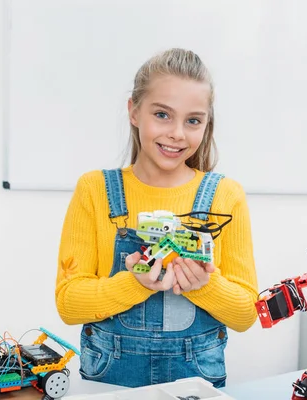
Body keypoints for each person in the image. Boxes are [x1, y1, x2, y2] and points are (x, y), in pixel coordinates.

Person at [55, 48, 258, 389]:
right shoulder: (94, 190)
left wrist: (204, 285)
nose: (178, 133)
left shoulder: (226, 197)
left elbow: (246, 313)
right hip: (109, 385)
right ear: (133, 111)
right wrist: (135, 283)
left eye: (193, 120)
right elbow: (69, 304)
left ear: (206, 124)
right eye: (162, 115)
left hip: (196, 385)